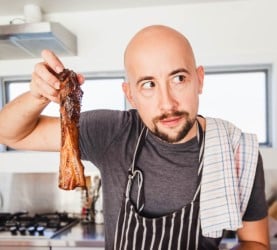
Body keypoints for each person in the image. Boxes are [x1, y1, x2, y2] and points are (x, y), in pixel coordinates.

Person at [0, 25, 270, 250]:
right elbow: (11, 134)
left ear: (199, 80)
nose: (167, 104)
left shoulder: (237, 152)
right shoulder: (111, 132)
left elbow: (256, 242)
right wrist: (37, 96)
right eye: (149, 84)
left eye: (178, 78)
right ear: (130, 94)